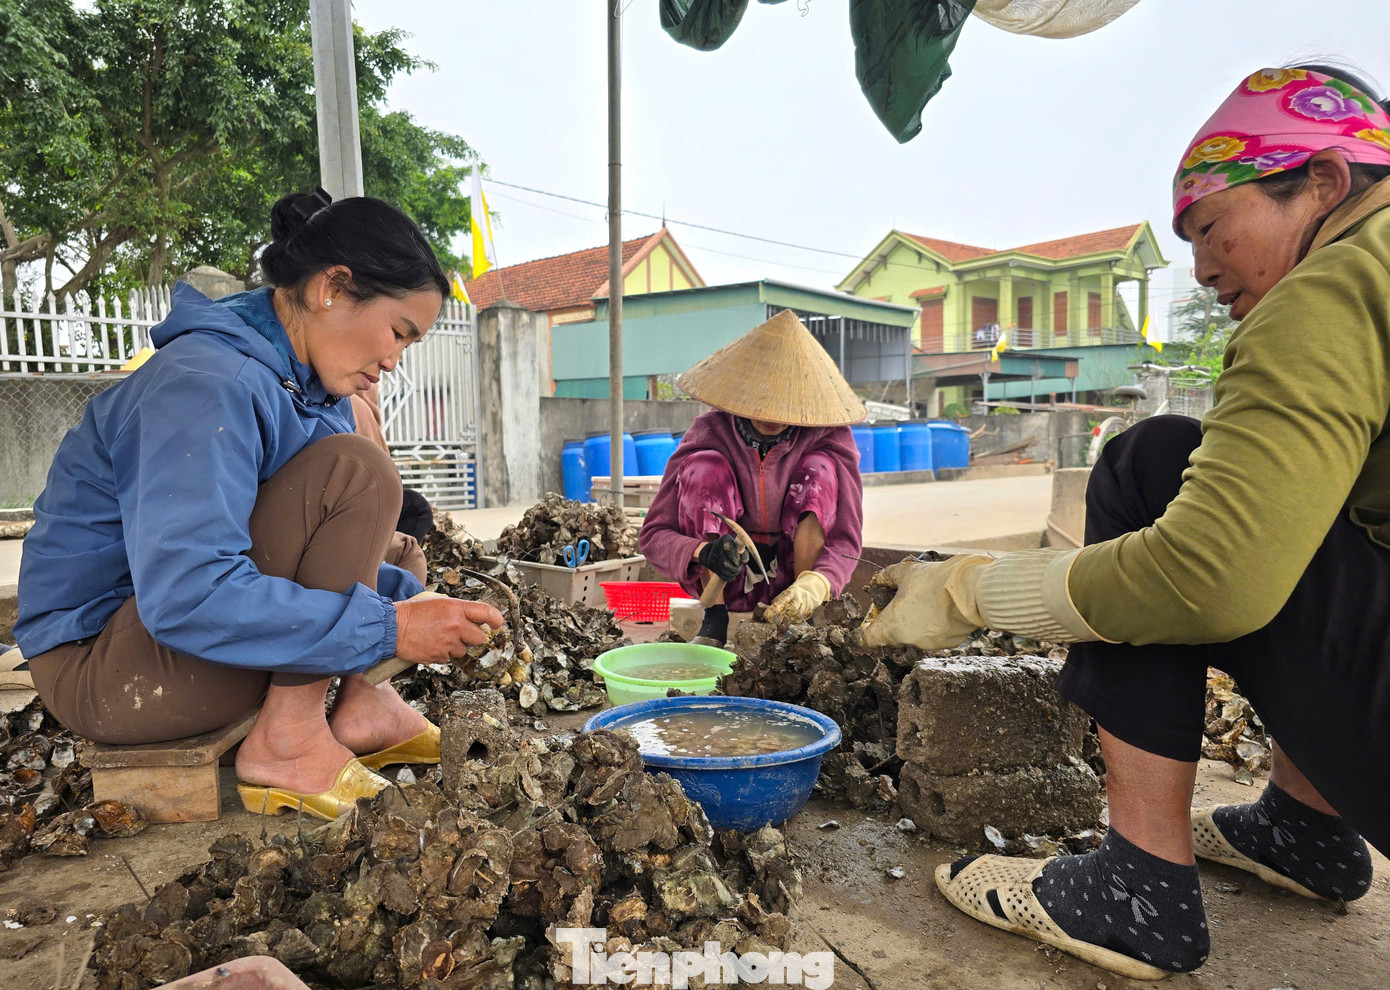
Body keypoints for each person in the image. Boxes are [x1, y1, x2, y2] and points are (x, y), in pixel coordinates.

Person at [862, 65, 1390, 979]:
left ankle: (1138, 888)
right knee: (1291, 490)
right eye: (1186, 239)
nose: (1201, 264)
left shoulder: (1336, 286)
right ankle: (1304, 828)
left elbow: (1204, 579)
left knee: (1147, 467)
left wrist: (971, 587)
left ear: (1325, 185)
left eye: (1212, 225)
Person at [15, 190, 504, 820]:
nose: (392, 361)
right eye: (397, 333)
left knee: (404, 562)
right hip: (106, 674)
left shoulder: (300, 386)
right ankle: (288, 739)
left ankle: (358, 706)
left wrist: (406, 605)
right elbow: (188, 595)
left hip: (162, 644)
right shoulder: (207, 383)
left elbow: (309, 552)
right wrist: (391, 628)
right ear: (332, 287)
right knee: (359, 474)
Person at [639, 309, 866, 645]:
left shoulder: (831, 437)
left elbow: (846, 540)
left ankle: (801, 619)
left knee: (819, 468)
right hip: (727, 583)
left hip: (795, 578)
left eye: (783, 406)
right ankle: (713, 624)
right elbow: (653, 536)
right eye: (763, 404)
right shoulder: (708, 432)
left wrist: (818, 584)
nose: (772, 416)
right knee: (706, 467)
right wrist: (704, 552)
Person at [349, 383, 435, 543]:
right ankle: (384, 562)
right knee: (418, 509)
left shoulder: (351, 403)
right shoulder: (355, 405)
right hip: (356, 504)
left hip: (351, 501)